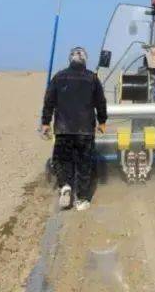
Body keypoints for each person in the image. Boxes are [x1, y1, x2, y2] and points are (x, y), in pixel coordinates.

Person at [40, 47, 107, 211]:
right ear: (85, 60)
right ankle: (82, 199)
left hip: (63, 129)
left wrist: (45, 122)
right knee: (84, 163)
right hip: (85, 130)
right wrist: (102, 121)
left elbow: (49, 100)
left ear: (70, 60)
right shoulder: (92, 78)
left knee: (62, 160)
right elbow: (101, 102)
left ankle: (65, 186)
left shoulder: (58, 77)